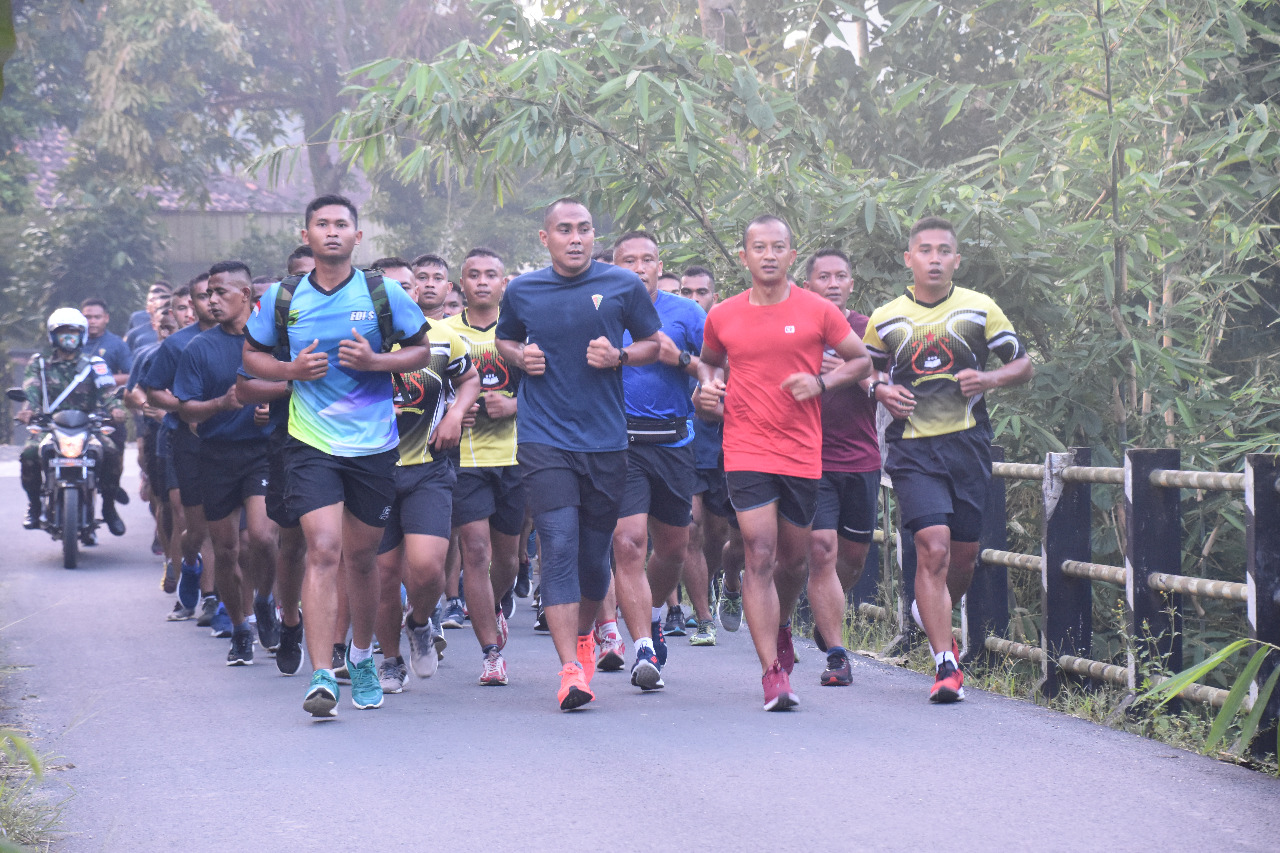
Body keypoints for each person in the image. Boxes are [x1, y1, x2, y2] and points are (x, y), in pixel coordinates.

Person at [243, 194, 431, 718]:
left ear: (357, 236)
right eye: (321, 224)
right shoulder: (283, 297)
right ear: (306, 235)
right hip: (310, 442)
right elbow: (251, 356)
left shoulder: (383, 292)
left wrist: (376, 361)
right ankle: (321, 673)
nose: (331, 231)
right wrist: (290, 372)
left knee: (362, 557)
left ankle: (364, 655)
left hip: (373, 443)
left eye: (341, 224)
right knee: (323, 548)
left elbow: (423, 349)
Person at [697, 214, 871, 711]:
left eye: (778, 247)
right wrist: (708, 387)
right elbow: (709, 361)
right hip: (746, 447)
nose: (769, 255)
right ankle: (772, 672)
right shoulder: (724, 314)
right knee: (759, 552)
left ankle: (784, 626)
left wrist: (821, 383)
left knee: (794, 561)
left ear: (792, 256)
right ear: (744, 256)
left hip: (800, 451)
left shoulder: (817, 310)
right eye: (759, 247)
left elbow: (861, 361)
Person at [495, 198, 663, 711]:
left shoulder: (622, 286)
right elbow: (504, 340)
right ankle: (570, 669)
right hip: (544, 440)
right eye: (564, 230)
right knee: (559, 546)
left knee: (595, 561)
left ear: (595, 236)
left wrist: (621, 356)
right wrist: (520, 357)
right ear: (544, 239)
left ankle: (587, 638)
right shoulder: (523, 290)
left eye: (584, 229)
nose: (575, 238)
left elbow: (654, 343)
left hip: (606, 442)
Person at [863, 215, 1033, 703]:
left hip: (968, 445)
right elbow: (864, 369)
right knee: (932, 549)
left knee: (963, 556)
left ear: (957, 260)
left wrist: (991, 380)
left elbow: (1022, 363)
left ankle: (929, 611)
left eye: (944, 251)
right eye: (925, 250)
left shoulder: (980, 310)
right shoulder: (887, 317)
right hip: (911, 448)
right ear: (908, 259)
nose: (934, 258)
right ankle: (944, 664)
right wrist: (879, 389)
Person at [372, 266, 479, 693]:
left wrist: (455, 414)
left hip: (428, 467)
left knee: (427, 566)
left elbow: (468, 378)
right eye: (389, 286)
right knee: (382, 575)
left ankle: (419, 622)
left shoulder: (440, 336)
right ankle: (390, 659)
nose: (401, 291)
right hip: (372, 471)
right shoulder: (362, 338)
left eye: (406, 284)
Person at [609, 231, 706, 691]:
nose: (639, 267)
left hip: (673, 442)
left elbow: (715, 369)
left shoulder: (687, 313)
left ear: (659, 264)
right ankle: (643, 648)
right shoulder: (600, 309)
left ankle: (649, 615)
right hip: (618, 443)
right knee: (627, 542)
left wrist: (680, 357)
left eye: (648, 259)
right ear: (615, 264)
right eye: (629, 260)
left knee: (673, 547)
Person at [174, 261, 280, 666]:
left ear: (247, 297)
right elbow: (187, 412)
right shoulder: (198, 349)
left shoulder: (271, 342)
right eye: (209, 293)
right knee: (226, 549)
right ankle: (240, 628)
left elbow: (295, 385)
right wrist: (223, 403)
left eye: (221, 293)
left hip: (262, 455)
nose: (212, 300)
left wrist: (270, 406)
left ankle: (266, 601)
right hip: (215, 456)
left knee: (262, 538)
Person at [445, 248, 528, 687]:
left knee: (509, 560)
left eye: (490, 275)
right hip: (464, 460)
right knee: (474, 550)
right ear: (461, 284)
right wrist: (454, 411)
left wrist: (512, 405)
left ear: (504, 283)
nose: (481, 282)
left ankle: (495, 604)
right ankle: (490, 653)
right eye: (473, 275)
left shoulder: (521, 334)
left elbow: (550, 391)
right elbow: (420, 391)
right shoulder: (441, 332)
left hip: (514, 458)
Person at [235, 247, 317, 676]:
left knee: (336, 548)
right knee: (293, 543)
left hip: (351, 444)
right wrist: (294, 382)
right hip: (290, 443)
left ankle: (340, 644)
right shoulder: (273, 330)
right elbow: (246, 388)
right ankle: (289, 621)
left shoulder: (355, 315)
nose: (313, 283)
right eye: (302, 276)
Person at [802, 249, 882, 687]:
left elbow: (886, 388)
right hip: (812, 459)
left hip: (862, 458)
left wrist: (850, 372)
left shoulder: (868, 329)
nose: (833, 283)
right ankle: (837, 654)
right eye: (823, 276)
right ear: (809, 283)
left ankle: (825, 614)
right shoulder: (797, 328)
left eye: (841, 276)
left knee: (853, 559)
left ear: (852, 283)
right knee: (822, 553)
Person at [144, 274, 218, 624]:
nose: (209, 303)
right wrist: (183, 407)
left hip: (234, 443)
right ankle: (188, 564)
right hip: (184, 441)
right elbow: (152, 391)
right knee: (193, 524)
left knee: (232, 532)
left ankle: (214, 599)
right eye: (201, 297)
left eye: (217, 294)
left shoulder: (248, 340)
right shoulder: (176, 345)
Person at [17, 308, 128, 536]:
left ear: (82, 335)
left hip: (88, 425)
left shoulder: (95, 363)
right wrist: (28, 410)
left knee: (111, 452)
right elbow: (31, 388)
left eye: (73, 332)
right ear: (53, 336)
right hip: (49, 425)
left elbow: (107, 390)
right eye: (62, 332)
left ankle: (109, 507)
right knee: (28, 454)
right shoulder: (39, 363)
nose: (68, 337)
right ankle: (35, 506)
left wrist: (116, 409)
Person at [678, 265, 732, 642]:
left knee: (721, 533)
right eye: (686, 292)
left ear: (715, 296)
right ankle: (701, 617)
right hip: (683, 441)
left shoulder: (727, 331)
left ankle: (721, 583)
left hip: (726, 442)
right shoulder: (667, 329)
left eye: (701, 292)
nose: (694, 299)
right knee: (690, 528)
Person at [80, 298, 133, 386]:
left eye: (97, 317)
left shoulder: (117, 344)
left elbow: (131, 376)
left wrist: (106, 378)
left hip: (106, 396)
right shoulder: (73, 342)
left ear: (106, 318)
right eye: (88, 317)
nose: (92, 321)